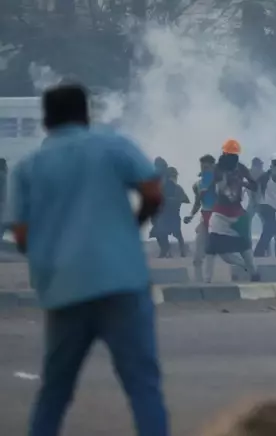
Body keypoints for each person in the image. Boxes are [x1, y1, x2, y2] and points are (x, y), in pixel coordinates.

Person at [4, 83, 168, 436]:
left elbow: (20, 235)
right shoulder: (113, 146)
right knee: (143, 387)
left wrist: (52, 253)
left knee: (55, 392)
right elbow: (154, 192)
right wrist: (132, 225)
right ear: (86, 114)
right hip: (123, 282)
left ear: (46, 120)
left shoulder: (27, 168)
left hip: (64, 289)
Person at [204, 139, 261, 282]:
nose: (230, 158)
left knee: (244, 248)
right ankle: (207, 280)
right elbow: (218, 189)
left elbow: (254, 186)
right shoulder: (219, 169)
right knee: (212, 248)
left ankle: (254, 274)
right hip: (221, 213)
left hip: (236, 214)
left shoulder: (240, 168)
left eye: (232, 155)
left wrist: (242, 183)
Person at [184, 154, 217, 282]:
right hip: (205, 218)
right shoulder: (197, 185)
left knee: (225, 253)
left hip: (219, 220)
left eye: (207, 167)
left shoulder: (220, 182)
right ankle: (199, 281)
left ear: (213, 167)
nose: (205, 169)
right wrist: (191, 216)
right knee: (199, 251)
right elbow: (197, 203)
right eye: (203, 167)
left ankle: (207, 278)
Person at [151, 167, 190, 258]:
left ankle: (182, 251)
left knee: (177, 234)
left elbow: (185, 199)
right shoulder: (162, 188)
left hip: (173, 215)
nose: (174, 178)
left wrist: (171, 200)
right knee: (160, 233)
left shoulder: (177, 188)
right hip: (164, 216)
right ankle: (165, 251)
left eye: (174, 176)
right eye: (173, 176)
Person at [253, 154, 276, 257]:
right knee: (270, 228)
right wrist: (256, 202)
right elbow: (256, 188)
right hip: (265, 206)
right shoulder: (266, 177)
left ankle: (261, 252)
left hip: (271, 207)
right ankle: (259, 252)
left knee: (269, 229)